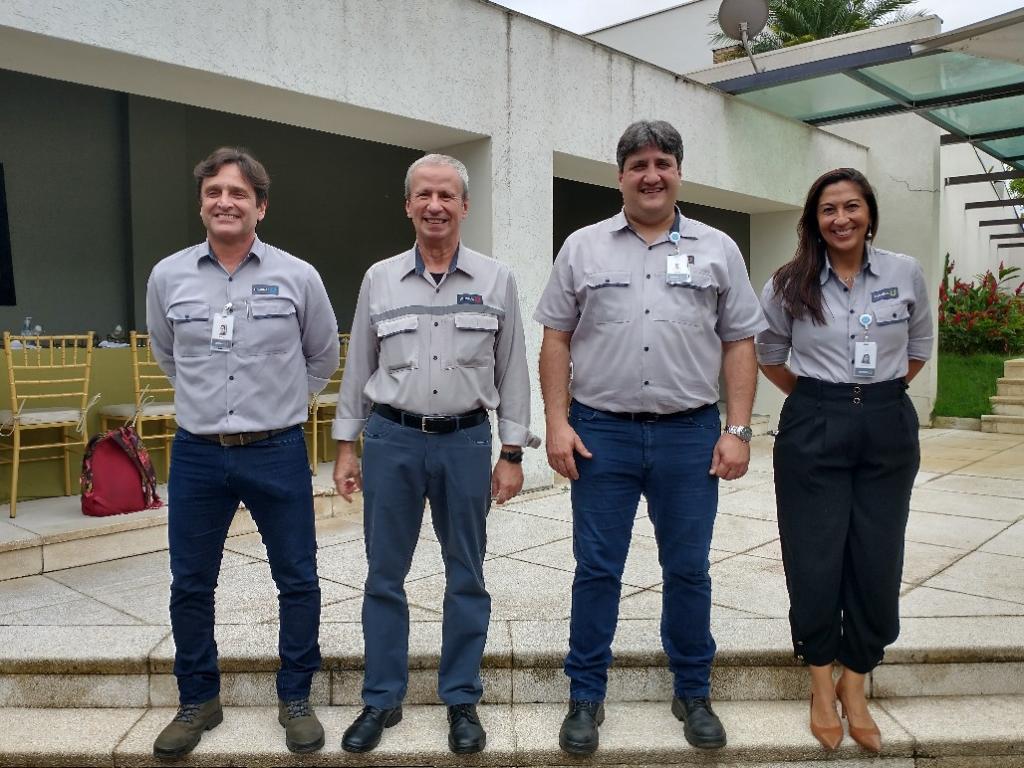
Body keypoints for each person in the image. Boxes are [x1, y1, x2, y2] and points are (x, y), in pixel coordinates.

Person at [535, 120, 767, 755]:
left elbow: (740, 339)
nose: (651, 175)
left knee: (688, 569)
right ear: (620, 176)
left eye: (662, 162)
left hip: (689, 435)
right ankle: (585, 695)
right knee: (597, 569)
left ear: (678, 172)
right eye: (638, 164)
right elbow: (555, 336)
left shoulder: (718, 247)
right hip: (600, 434)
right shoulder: (583, 246)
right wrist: (557, 422)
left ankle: (693, 690)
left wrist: (738, 429)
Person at [332, 153, 538, 755]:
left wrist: (513, 451)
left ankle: (462, 698)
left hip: (467, 441)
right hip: (392, 439)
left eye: (446, 195)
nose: (435, 206)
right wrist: (347, 447)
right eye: (423, 195)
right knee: (384, 575)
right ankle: (381, 698)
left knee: (467, 574)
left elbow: (513, 368)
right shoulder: (380, 279)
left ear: (465, 206)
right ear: (407, 206)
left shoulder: (496, 280)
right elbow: (358, 369)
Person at [146, 147, 339, 759]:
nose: (224, 202)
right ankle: (198, 699)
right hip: (198, 453)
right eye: (213, 193)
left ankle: (296, 696)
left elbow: (322, 358)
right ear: (202, 204)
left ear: (261, 205)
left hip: (277, 449)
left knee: (298, 578)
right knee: (190, 582)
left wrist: (281, 404)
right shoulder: (168, 276)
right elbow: (166, 355)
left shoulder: (298, 276)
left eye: (237, 193)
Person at [756, 167, 933, 753]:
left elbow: (917, 349)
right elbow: (770, 353)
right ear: (814, 220)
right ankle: (820, 686)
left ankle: (856, 680)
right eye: (829, 209)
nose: (841, 219)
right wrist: (821, 400)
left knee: (877, 556)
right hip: (813, 421)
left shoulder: (904, 272)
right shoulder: (790, 282)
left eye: (851, 207)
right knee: (814, 556)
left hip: (886, 423)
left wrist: (870, 398)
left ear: (869, 213)